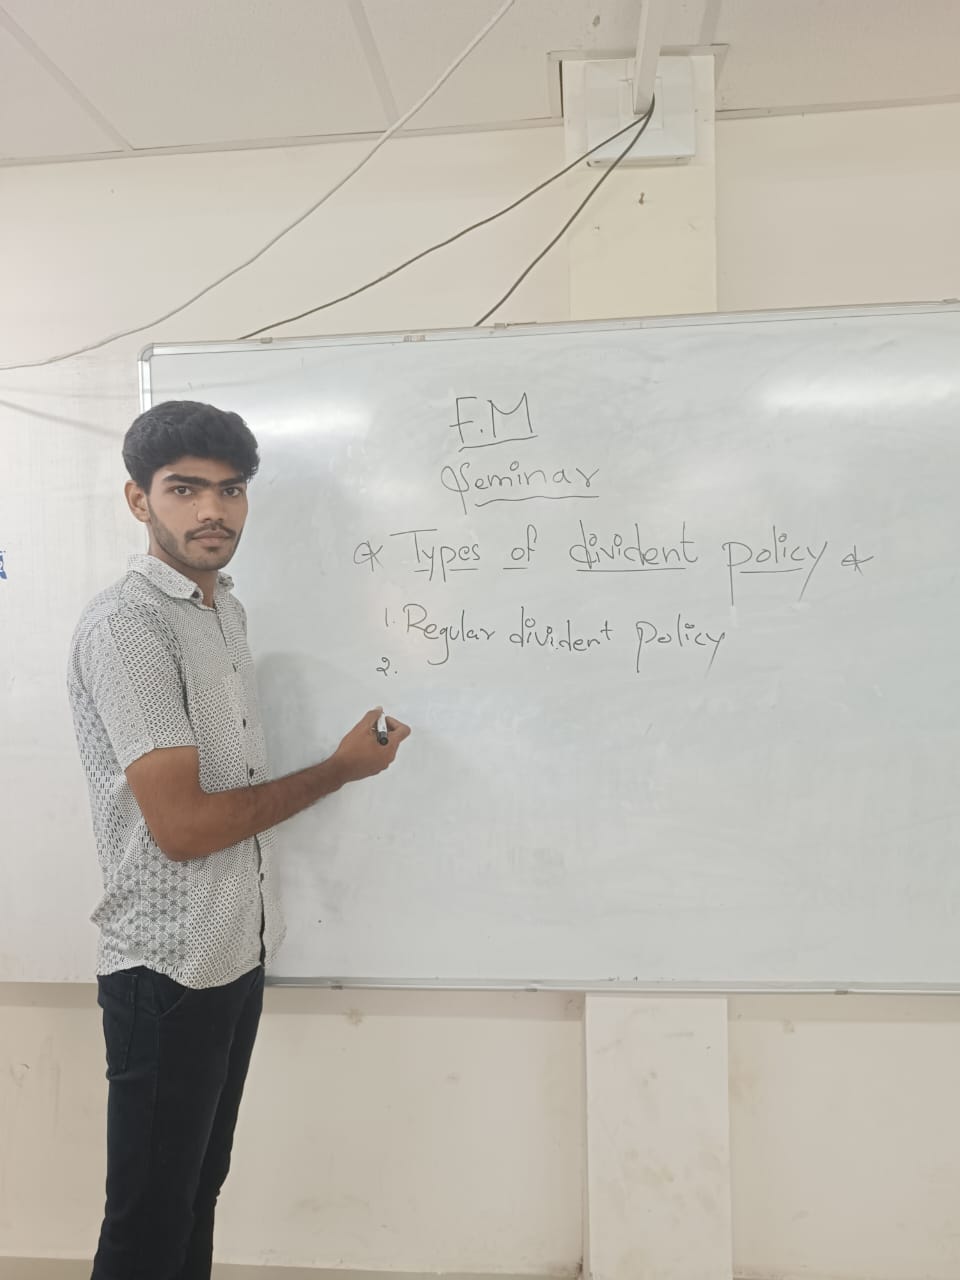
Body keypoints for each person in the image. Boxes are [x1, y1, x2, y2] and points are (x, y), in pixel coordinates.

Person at [67, 400, 410, 1279]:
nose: (212, 510)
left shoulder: (224, 612)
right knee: (147, 1226)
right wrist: (337, 771)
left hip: (231, 952)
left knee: (195, 1194)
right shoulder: (129, 626)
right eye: (184, 490)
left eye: (230, 490)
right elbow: (183, 828)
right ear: (139, 501)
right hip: (165, 968)